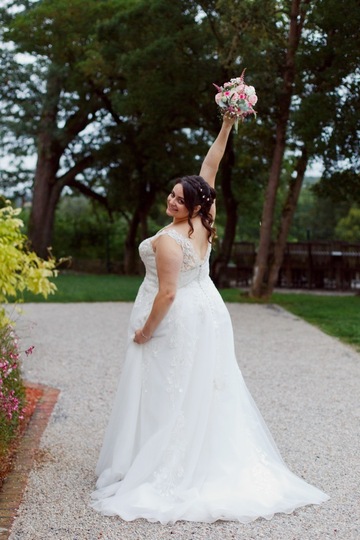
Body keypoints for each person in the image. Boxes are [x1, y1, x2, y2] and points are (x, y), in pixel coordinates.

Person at [91, 115, 329, 523]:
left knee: (168, 387)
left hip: (177, 315)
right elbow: (210, 168)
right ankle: (190, 454)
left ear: (194, 206)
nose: (171, 201)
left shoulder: (169, 241)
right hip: (208, 310)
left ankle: (164, 465)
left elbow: (167, 293)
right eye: (171, 195)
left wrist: (146, 330)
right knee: (201, 385)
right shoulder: (205, 220)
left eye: (179, 200)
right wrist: (226, 125)